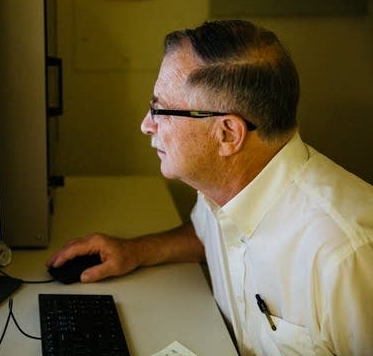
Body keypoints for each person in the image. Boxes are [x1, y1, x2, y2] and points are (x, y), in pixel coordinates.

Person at [46, 20, 373, 355]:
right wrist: (136, 251)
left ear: (227, 134)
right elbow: (210, 235)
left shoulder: (347, 256)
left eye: (161, 110)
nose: (147, 125)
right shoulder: (225, 186)